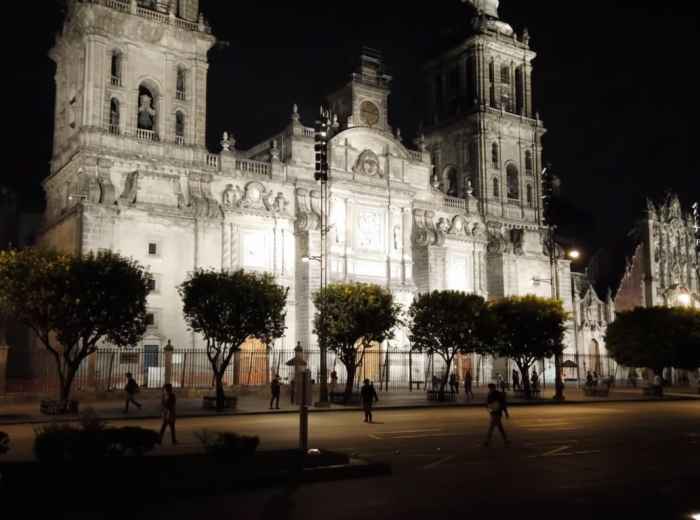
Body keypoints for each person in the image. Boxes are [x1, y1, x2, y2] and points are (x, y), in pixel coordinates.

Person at [484, 383, 510, 447]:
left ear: (493, 388)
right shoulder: (490, 394)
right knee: (500, 427)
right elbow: (488, 404)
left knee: (492, 427)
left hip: (497, 413)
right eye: (489, 388)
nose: (490, 389)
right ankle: (505, 440)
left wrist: (506, 412)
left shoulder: (497, 394)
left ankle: (487, 441)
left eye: (491, 388)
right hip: (494, 413)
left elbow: (502, 403)